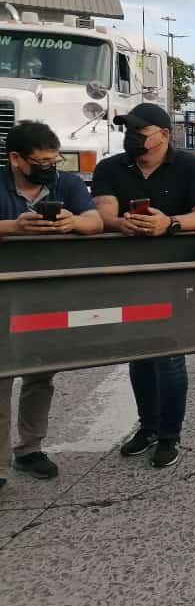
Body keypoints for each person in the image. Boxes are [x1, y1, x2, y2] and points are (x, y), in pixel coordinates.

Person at [91, 103, 195, 469]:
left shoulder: (191, 167)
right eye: (128, 131)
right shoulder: (110, 167)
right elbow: (103, 212)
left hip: (175, 273)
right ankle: (147, 428)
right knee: (140, 354)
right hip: (129, 273)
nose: (132, 138)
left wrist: (171, 223)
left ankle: (169, 436)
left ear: (164, 135)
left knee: (169, 354)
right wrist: (120, 224)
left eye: (140, 132)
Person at [0, 121, 103, 489]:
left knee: (41, 373)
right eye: (40, 161)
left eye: (53, 159)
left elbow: (95, 220)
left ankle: (30, 449)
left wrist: (73, 221)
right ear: (15, 159)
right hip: (4, 290)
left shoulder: (67, 184)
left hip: (46, 292)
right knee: (0, 377)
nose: (49, 166)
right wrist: (14, 227)